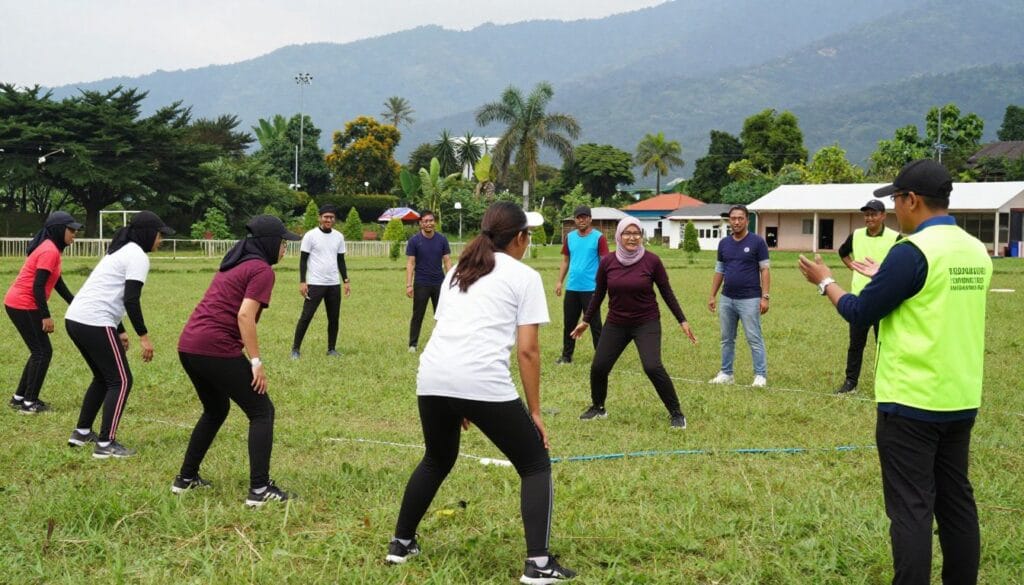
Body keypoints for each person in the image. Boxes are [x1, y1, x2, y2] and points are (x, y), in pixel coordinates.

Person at [798, 159, 990, 585]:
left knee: (911, 509)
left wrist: (826, 281)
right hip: (959, 398)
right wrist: (886, 277)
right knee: (957, 504)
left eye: (897, 200)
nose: (894, 210)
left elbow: (860, 311)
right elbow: (933, 301)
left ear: (913, 201)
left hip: (910, 403)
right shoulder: (974, 249)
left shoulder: (913, 251)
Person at [386, 202, 576, 584]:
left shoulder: (458, 270)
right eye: (529, 236)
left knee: (437, 458)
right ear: (520, 238)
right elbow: (528, 350)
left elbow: (449, 329)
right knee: (535, 463)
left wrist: (460, 399)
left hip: (433, 377)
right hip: (479, 380)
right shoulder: (524, 276)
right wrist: (535, 411)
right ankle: (538, 565)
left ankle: (401, 543)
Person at [174, 216, 301, 506]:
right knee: (261, 411)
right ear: (269, 243)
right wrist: (256, 361)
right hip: (213, 347)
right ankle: (259, 490)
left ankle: (185, 478)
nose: (285, 249)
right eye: (282, 243)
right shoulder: (261, 270)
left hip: (189, 345)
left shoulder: (236, 263)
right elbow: (244, 316)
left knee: (216, 409)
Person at [65, 211, 174, 458]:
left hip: (77, 319)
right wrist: (143, 336)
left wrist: (120, 330)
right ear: (147, 234)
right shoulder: (137, 255)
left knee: (104, 378)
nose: (161, 240)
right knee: (122, 380)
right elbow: (131, 299)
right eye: (159, 235)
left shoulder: (121, 251)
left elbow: (109, 294)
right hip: (95, 320)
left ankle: (82, 432)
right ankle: (106, 444)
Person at [573, 217, 696, 428]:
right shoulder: (608, 262)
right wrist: (585, 320)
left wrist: (682, 320)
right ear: (619, 236)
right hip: (616, 323)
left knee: (652, 366)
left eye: (636, 233)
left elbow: (666, 292)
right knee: (599, 366)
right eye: (627, 233)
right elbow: (599, 293)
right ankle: (598, 408)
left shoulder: (652, 261)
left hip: (646, 322)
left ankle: (676, 413)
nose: (632, 237)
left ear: (641, 235)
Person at [4, 211, 82, 414]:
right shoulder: (50, 250)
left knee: (38, 351)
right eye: (71, 230)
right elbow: (38, 286)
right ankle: (29, 404)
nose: (74, 234)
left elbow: (56, 282)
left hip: (19, 303)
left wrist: (75, 303)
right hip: (23, 304)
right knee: (42, 352)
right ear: (59, 230)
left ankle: (19, 398)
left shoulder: (52, 248)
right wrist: (45, 316)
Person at [833, 199, 900, 394]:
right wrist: (852, 265)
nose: (869, 218)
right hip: (860, 299)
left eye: (873, 214)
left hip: (885, 299)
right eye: (866, 214)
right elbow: (843, 253)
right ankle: (850, 383)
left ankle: (886, 383)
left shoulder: (895, 237)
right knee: (856, 345)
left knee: (885, 345)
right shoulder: (856, 235)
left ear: (883, 216)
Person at [707, 204, 770, 387]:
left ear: (746, 220)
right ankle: (726, 373)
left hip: (750, 298)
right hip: (727, 298)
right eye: (733, 218)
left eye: (740, 218)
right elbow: (720, 270)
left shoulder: (757, 242)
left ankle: (760, 375)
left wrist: (765, 297)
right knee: (727, 338)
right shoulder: (724, 243)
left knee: (754, 337)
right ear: (729, 220)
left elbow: (765, 270)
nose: (736, 221)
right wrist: (712, 295)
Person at [291, 204, 350, 359]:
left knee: (334, 318)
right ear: (320, 218)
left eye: (331, 217)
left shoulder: (338, 237)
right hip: (315, 283)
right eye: (325, 217)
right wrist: (303, 281)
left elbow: (341, 260)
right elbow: (303, 260)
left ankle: (331, 349)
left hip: (333, 284)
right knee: (306, 316)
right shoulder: (310, 236)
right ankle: (295, 349)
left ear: (334, 219)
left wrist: (345, 280)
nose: (328, 220)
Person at [554, 205, 609, 365]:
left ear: (590, 219)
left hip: (591, 289)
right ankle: (566, 356)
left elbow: (605, 262)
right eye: (579, 217)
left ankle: (601, 358)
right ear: (575, 219)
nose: (582, 220)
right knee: (569, 323)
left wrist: (605, 284)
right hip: (572, 288)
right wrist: (559, 281)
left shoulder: (599, 238)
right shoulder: (569, 237)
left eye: (585, 217)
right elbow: (565, 260)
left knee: (595, 324)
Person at [404, 210, 452, 353]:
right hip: (421, 283)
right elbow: (410, 263)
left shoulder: (442, 239)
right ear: (420, 224)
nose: (429, 223)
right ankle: (413, 345)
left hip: (440, 283)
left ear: (434, 222)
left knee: (442, 315)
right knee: (418, 315)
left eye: (431, 220)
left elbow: (447, 261)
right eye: (425, 221)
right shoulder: (414, 241)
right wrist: (409, 285)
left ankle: (442, 344)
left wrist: (450, 281)